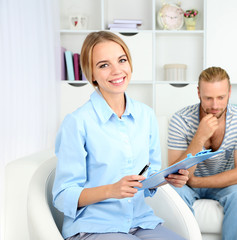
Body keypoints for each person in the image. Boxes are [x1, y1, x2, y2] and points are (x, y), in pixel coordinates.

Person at [52, 31, 189, 240]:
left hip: (140, 222)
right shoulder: (77, 122)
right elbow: (63, 196)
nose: (117, 71)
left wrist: (167, 178)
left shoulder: (146, 115)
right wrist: (111, 190)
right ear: (92, 75)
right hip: (93, 227)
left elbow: (148, 174)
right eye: (104, 65)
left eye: (121, 60)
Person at [168, 66, 237, 240]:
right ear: (198, 93)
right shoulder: (180, 120)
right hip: (186, 186)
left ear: (229, 92)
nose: (215, 105)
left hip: (224, 184)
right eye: (208, 98)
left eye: (221, 97)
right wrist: (199, 138)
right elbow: (175, 175)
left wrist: (196, 181)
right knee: (173, 193)